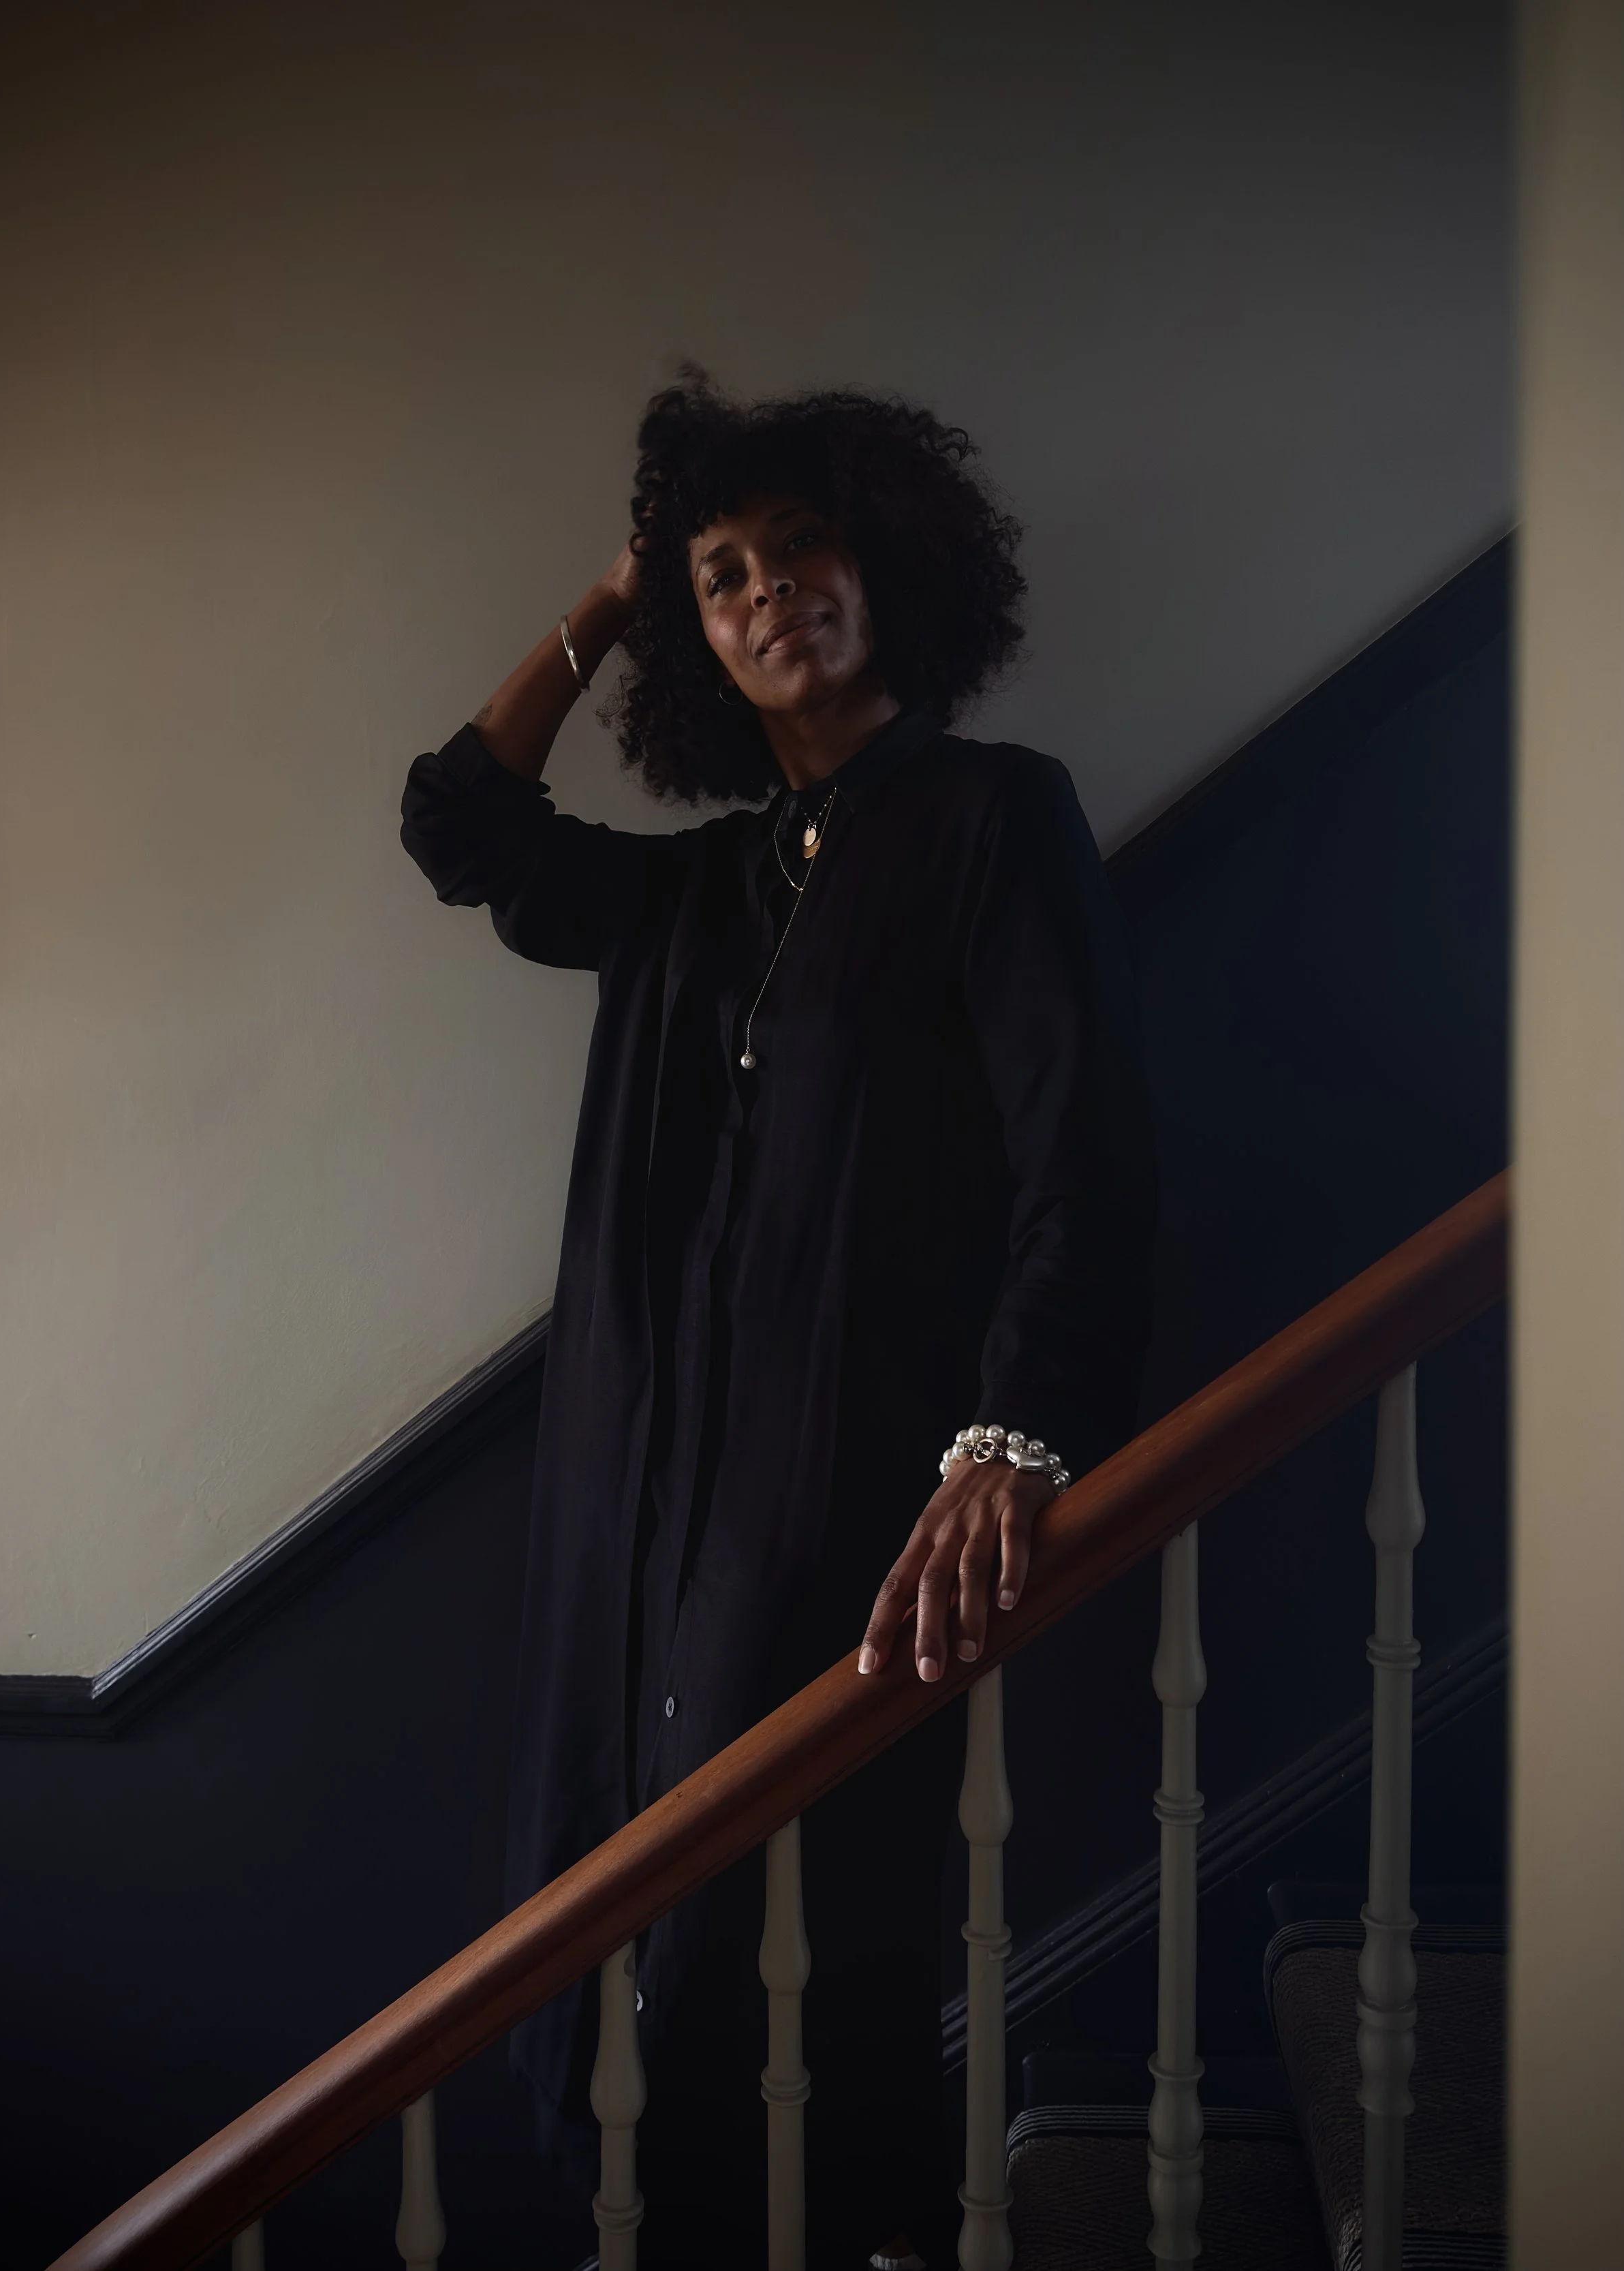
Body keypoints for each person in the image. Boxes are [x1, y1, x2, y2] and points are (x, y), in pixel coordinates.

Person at [400, 375, 1156, 2270]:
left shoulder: (995, 818)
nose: (766, 597)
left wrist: (1012, 1433)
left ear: (883, 563)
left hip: (833, 1482)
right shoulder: (690, 893)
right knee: (608, 1913)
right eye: (723, 578)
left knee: (777, 1919)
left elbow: (1089, 1159)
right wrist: (612, 596)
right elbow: (458, 823)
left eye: (797, 549)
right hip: (627, 1496)